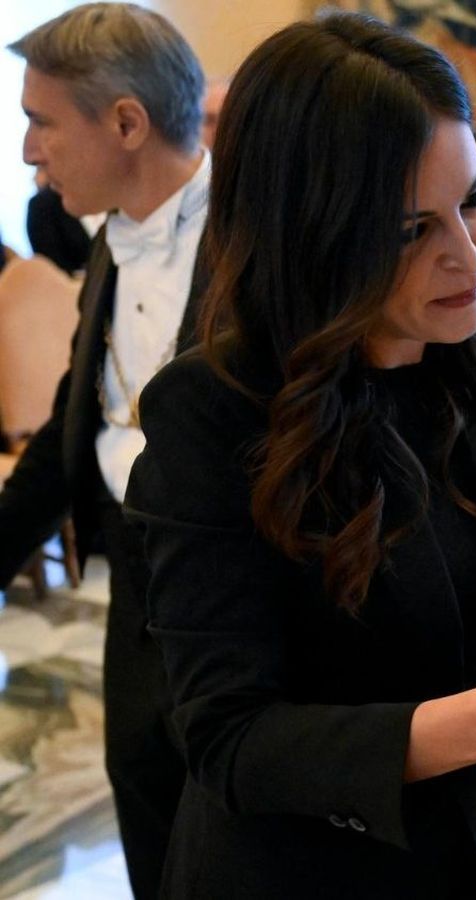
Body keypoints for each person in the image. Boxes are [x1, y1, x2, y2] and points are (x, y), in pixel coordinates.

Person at [121, 13, 476, 898]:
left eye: (473, 198)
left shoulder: (473, 365)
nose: (466, 255)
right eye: (408, 231)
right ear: (312, 234)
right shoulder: (210, 414)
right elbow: (232, 739)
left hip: (474, 862)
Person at [1, 6, 207, 894]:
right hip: (135, 591)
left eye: (41, 123)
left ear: (127, 122)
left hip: (242, 597)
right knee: (149, 814)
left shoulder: (265, 247)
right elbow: (70, 438)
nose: (27, 154)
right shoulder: (110, 244)